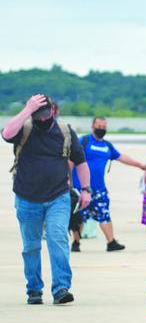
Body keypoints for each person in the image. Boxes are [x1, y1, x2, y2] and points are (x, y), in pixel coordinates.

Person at [3, 94, 91, 305]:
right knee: (31, 246)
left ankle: (61, 288)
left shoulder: (65, 131)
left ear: (53, 111)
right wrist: (27, 109)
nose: (41, 119)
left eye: (44, 114)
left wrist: (86, 189)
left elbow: (80, 162)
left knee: (58, 238)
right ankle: (34, 289)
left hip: (58, 196)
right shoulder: (24, 128)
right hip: (26, 198)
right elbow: (6, 134)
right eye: (37, 115)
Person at [71, 115, 146, 252]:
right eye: (99, 127)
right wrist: (67, 178)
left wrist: (140, 165)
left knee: (104, 215)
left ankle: (111, 242)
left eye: (104, 127)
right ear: (92, 127)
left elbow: (122, 157)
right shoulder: (84, 141)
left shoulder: (107, 146)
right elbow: (71, 158)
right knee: (79, 217)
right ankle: (76, 242)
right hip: (81, 188)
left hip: (99, 189)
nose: (101, 129)